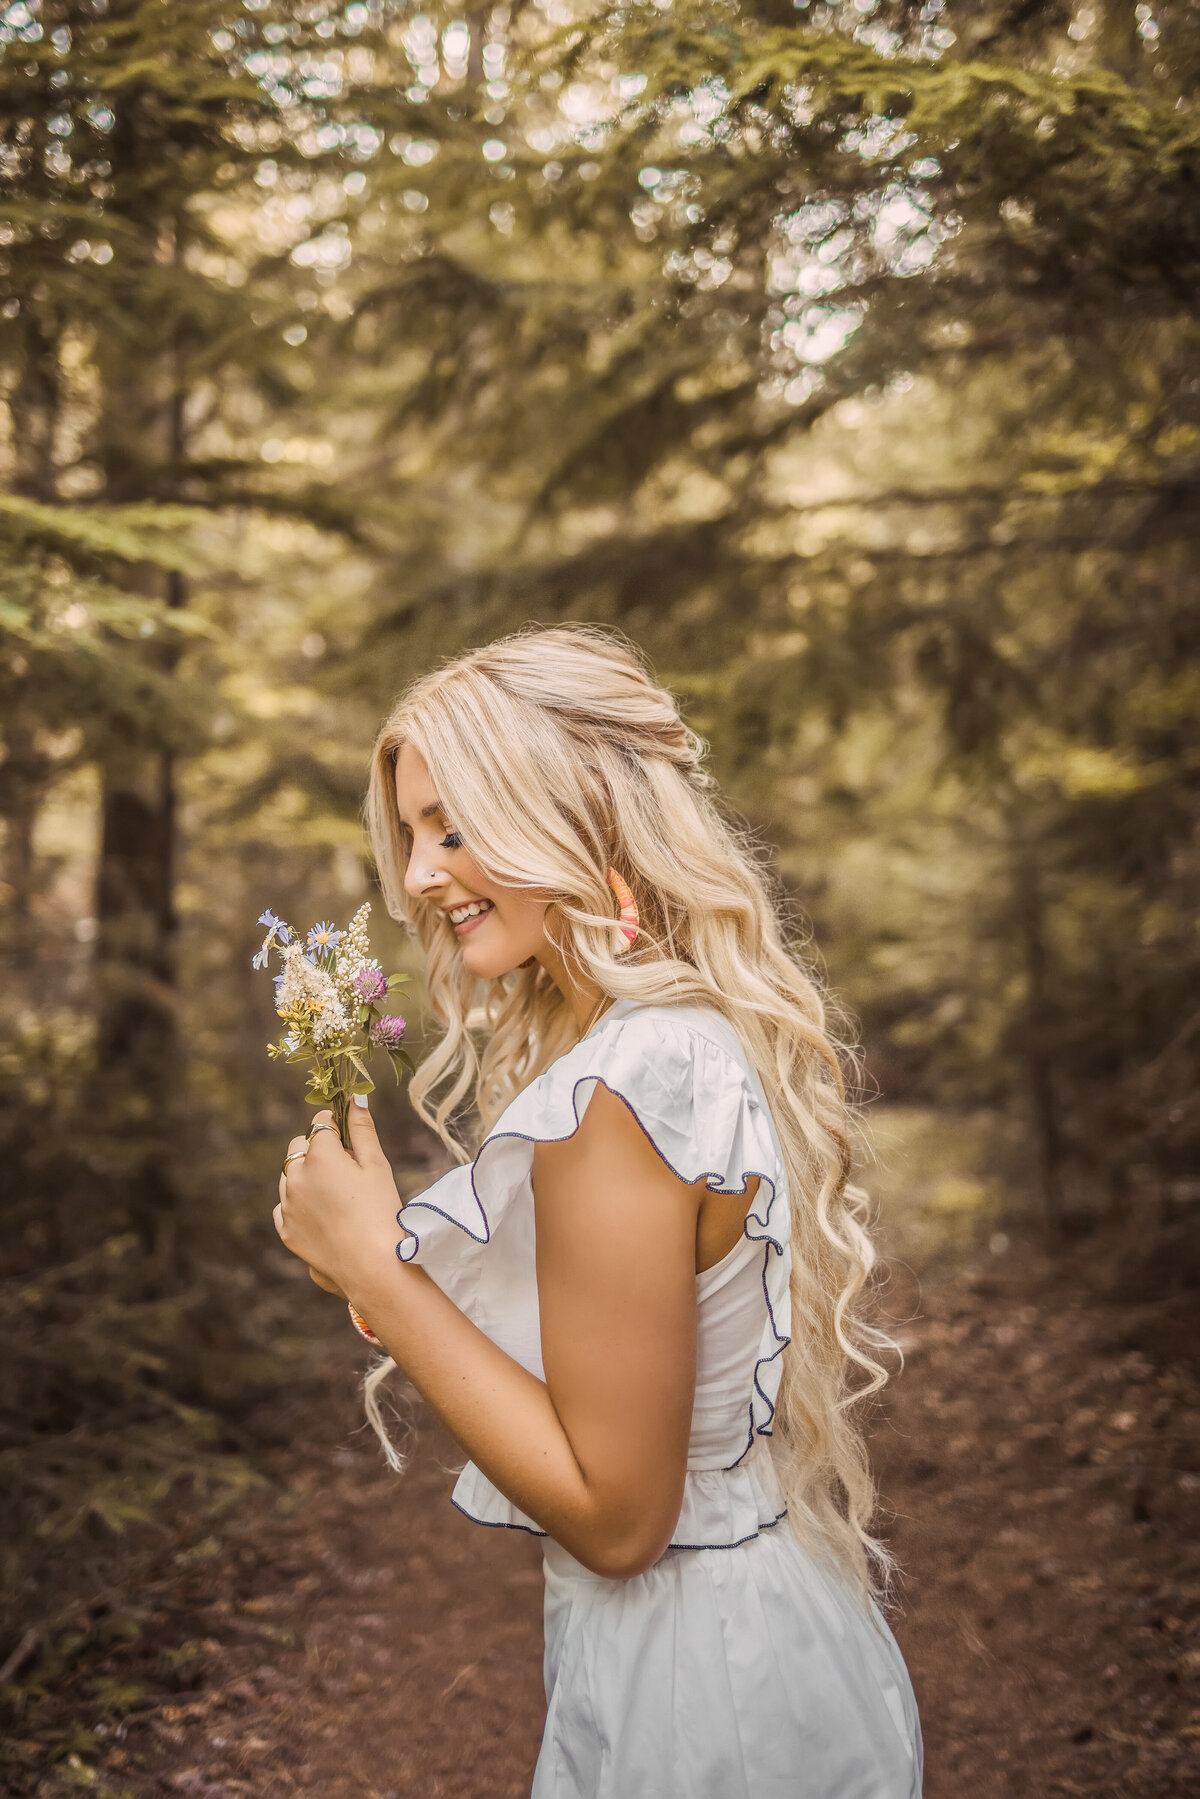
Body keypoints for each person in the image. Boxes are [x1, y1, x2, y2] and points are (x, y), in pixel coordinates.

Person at [272, 625, 923, 1798]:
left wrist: (381, 1272)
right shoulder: (674, 1040)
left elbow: (619, 1517)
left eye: (454, 828)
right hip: (754, 1639)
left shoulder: (621, 1087)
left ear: (575, 813)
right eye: (414, 834)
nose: (418, 876)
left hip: (699, 1689)